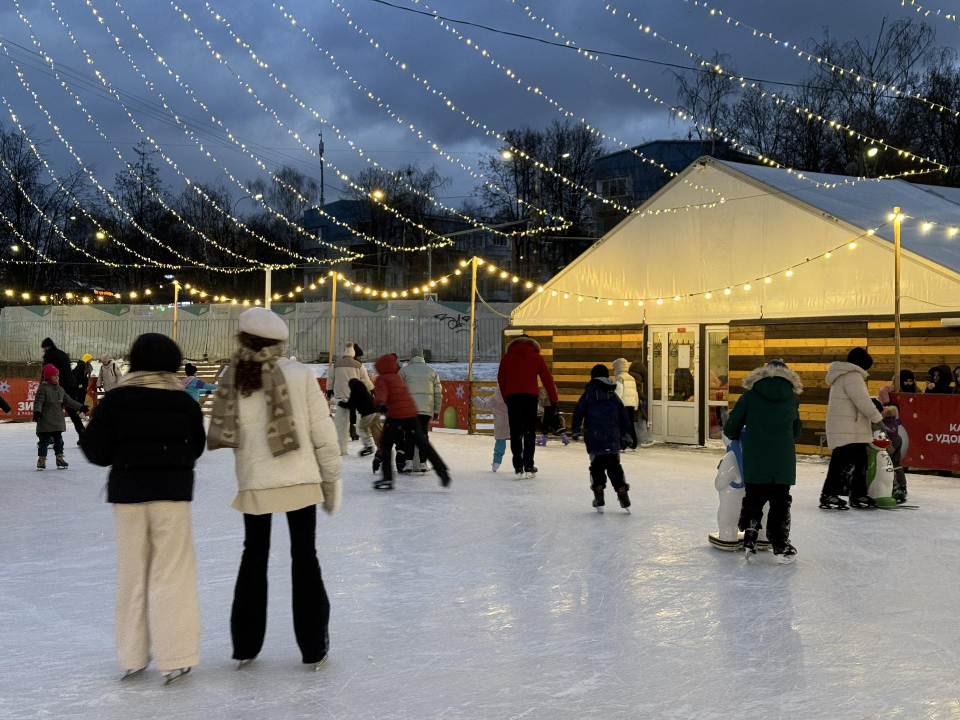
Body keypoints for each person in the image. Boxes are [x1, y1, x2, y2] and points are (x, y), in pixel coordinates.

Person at [207, 308, 342, 670]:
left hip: (255, 482)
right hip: (300, 479)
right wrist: (331, 478)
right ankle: (314, 647)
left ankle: (246, 646)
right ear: (279, 342)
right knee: (305, 558)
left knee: (254, 557)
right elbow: (323, 432)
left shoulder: (234, 378)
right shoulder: (299, 375)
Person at [79, 333, 205, 684]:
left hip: (128, 495)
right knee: (172, 575)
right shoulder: (184, 403)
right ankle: (175, 656)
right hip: (172, 497)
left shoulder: (117, 401)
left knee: (132, 575)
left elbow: (96, 452)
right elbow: (195, 448)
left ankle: (132, 656)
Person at [723, 360, 803, 562]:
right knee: (780, 501)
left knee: (754, 497)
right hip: (781, 459)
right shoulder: (792, 399)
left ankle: (750, 536)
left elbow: (731, 427)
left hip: (756, 457)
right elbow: (796, 430)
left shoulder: (749, 396)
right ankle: (780, 545)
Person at [373, 353, 450, 490]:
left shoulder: (382, 378)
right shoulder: (396, 377)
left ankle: (387, 478)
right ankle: (442, 471)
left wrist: (380, 404)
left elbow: (381, 394)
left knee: (386, 444)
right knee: (422, 442)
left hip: (396, 415)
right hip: (411, 413)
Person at [821, 347, 884, 510]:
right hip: (849, 428)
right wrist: (878, 419)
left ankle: (856, 493)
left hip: (849, 427)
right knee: (842, 462)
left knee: (857, 461)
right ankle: (830, 494)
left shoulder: (843, 375)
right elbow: (862, 401)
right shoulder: (853, 376)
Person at [571, 364, 632, 512]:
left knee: (596, 467)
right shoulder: (613, 394)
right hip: (612, 437)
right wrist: (626, 433)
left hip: (594, 437)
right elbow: (623, 415)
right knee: (614, 466)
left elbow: (578, 411)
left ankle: (598, 491)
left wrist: (575, 429)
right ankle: (621, 490)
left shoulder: (588, 394)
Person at [497, 335, 558, 479]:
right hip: (530, 397)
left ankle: (518, 465)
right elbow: (547, 379)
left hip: (513, 397)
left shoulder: (507, 358)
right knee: (529, 431)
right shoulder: (537, 358)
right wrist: (553, 399)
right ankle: (529, 464)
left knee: (516, 432)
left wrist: (506, 397)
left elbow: (501, 379)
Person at [34, 364, 88, 469]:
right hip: (45, 419)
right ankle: (41, 459)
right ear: (48, 377)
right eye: (54, 376)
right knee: (44, 441)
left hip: (57, 419)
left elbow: (69, 401)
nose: (57, 377)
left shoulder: (60, 389)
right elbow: (38, 402)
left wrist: (80, 407)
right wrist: (37, 412)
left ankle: (59, 458)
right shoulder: (43, 388)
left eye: (58, 376)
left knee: (59, 441)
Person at [398, 346, 443, 472]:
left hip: (409, 409)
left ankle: (409, 463)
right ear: (422, 357)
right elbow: (438, 393)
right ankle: (423, 463)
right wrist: (436, 410)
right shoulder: (431, 372)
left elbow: (398, 390)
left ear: (411, 357)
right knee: (423, 435)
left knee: (410, 435)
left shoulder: (404, 371)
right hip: (426, 408)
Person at [327, 342, 374, 455]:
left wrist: (329, 391)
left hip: (340, 397)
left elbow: (330, 378)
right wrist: (372, 389)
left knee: (341, 425)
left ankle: (341, 449)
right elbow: (365, 380)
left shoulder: (336, 364)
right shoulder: (358, 365)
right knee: (359, 423)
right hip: (356, 398)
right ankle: (367, 444)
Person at [41, 338, 85, 438]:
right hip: (70, 386)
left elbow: (47, 373)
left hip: (58, 386)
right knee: (73, 412)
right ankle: (82, 433)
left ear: (48, 347)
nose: (43, 350)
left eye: (44, 347)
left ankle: (51, 437)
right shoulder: (63, 354)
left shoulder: (49, 356)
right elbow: (68, 371)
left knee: (51, 411)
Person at [338, 378, 380, 457]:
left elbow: (350, 405)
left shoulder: (354, 392)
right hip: (376, 411)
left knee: (361, 429)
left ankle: (368, 446)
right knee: (375, 430)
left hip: (367, 413)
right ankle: (380, 447)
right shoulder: (365, 391)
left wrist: (341, 404)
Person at [471, 387, 510, 471]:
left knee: (500, 444)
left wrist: (474, 397)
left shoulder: (495, 399)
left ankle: (496, 464)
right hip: (514, 424)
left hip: (501, 426)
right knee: (518, 445)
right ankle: (521, 463)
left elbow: (483, 405)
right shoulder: (515, 395)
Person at [613, 358, 639, 450]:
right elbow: (635, 392)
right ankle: (633, 443)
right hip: (631, 404)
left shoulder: (620, 377)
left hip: (623, 405)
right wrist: (636, 404)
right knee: (630, 424)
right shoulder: (631, 378)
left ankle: (622, 444)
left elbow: (619, 391)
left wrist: (615, 403)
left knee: (621, 424)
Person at [628, 361, 654, 446]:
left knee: (633, 420)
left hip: (629, 402)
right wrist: (643, 398)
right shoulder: (637, 377)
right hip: (635, 401)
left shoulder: (629, 375)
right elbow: (637, 390)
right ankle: (643, 439)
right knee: (640, 419)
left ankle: (636, 438)